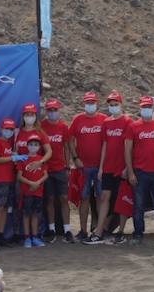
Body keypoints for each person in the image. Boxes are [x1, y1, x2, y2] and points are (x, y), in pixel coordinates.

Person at [125, 95, 154, 246]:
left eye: (148, 107)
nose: (146, 109)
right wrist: (131, 172)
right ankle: (138, 234)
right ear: (140, 109)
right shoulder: (133, 127)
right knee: (138, 206)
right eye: (143, 107)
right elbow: (127, 151)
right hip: (139, 173)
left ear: (153, 109)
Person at [90, 92, 132, 243]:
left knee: (122, 200)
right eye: (111, 105)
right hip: (108, 167)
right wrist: (101, 167)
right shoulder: (106, 123)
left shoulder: (128, 122)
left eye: (116, 104)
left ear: (121, 105)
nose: (113, 107)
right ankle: (99, 231)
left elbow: (129, 147)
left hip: (121, 167)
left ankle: (120, 231)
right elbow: (105, 146)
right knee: (104, 197)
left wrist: (128, 168)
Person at [70, 91, 106, 241]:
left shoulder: (104, 119)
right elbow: (70, 139)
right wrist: (75, 158)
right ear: (84, 104)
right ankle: (83, 230)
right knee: (84, 198)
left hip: (100, 166)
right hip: (83, 166)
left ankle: (99, 231)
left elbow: (107, 142)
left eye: (92, 103)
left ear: (97, 103)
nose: (90, 105)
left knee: (100, 198)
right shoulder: (77, 119)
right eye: (87, 103)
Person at [42, 99, 73, 242]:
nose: (52, 113)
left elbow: (66, 147)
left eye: (54, 110)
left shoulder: (63, 127)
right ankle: (52, 229)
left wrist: (68, 165)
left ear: (58, 110)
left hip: (60, 168)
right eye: (50, 110)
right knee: (49, 199)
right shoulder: (41, 126)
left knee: (64, 198)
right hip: (46, 169)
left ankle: (67, 230)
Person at [0, 118, 19, 245]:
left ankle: (1, 235)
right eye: (7, 129)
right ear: (1, 129)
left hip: (10, 178)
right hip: (0, 179)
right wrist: (12, 157)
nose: (9, 131)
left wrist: (15, 156)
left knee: (6, 207)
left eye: (11, 129)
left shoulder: (10, 144)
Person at [18, 134, 48, 247]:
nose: (33, 146)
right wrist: (31, 183)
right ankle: (27, 238)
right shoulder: (24, 159)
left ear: (39, 146)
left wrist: (38, 183)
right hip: (26, 192)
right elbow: (19, 176)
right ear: (27, 146)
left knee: (35, 214)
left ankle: (35, 237)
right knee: (26, 214)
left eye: (36, 144)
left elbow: (46, 175)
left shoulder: (41, 160)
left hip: (38, 191)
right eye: (31, 144)